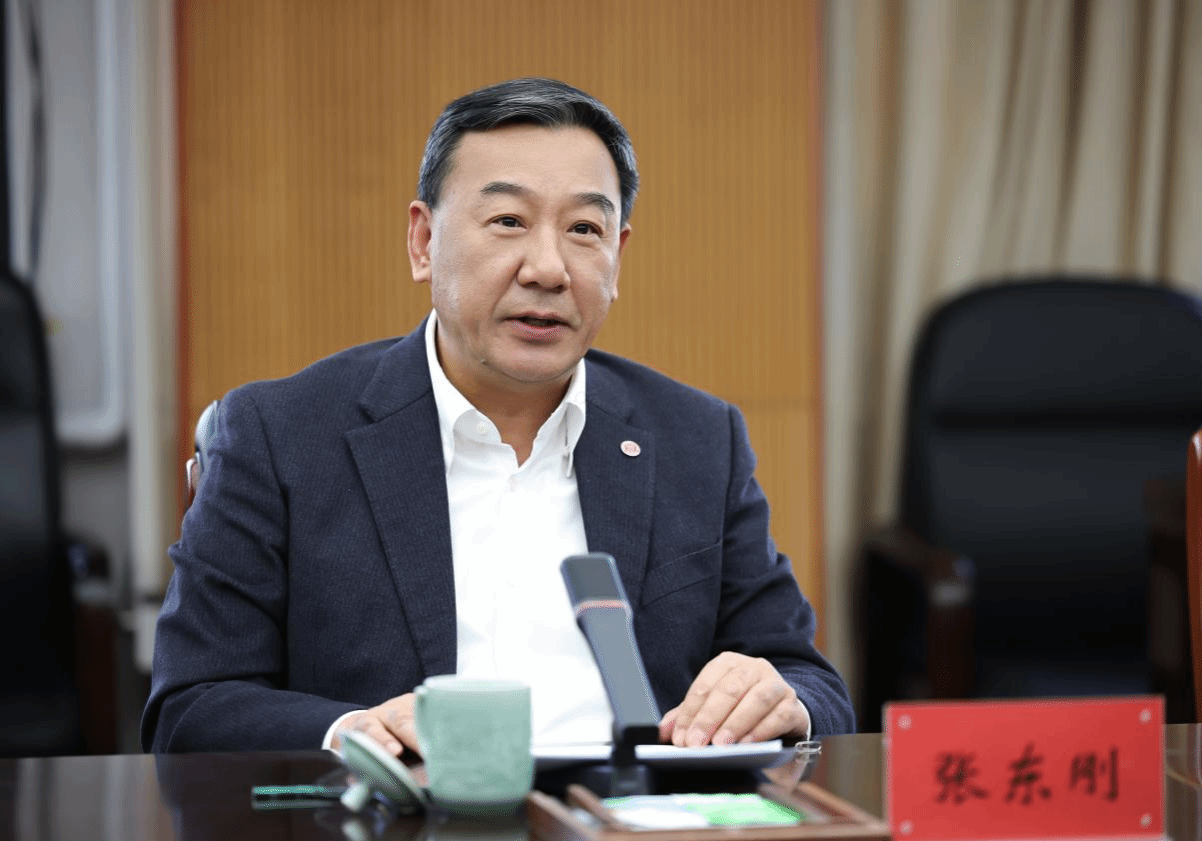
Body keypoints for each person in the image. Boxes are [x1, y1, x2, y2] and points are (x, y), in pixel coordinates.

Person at [142, 77, 854, 756]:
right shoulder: (280, 435)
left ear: (617, 256)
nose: (547, 268)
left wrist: (782, 698)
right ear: (423, 242)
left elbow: (810, 682)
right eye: (508, 221)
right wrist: (355, 734)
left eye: (584, 229)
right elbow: (190, 707)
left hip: (629, 814)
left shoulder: (697, 440)